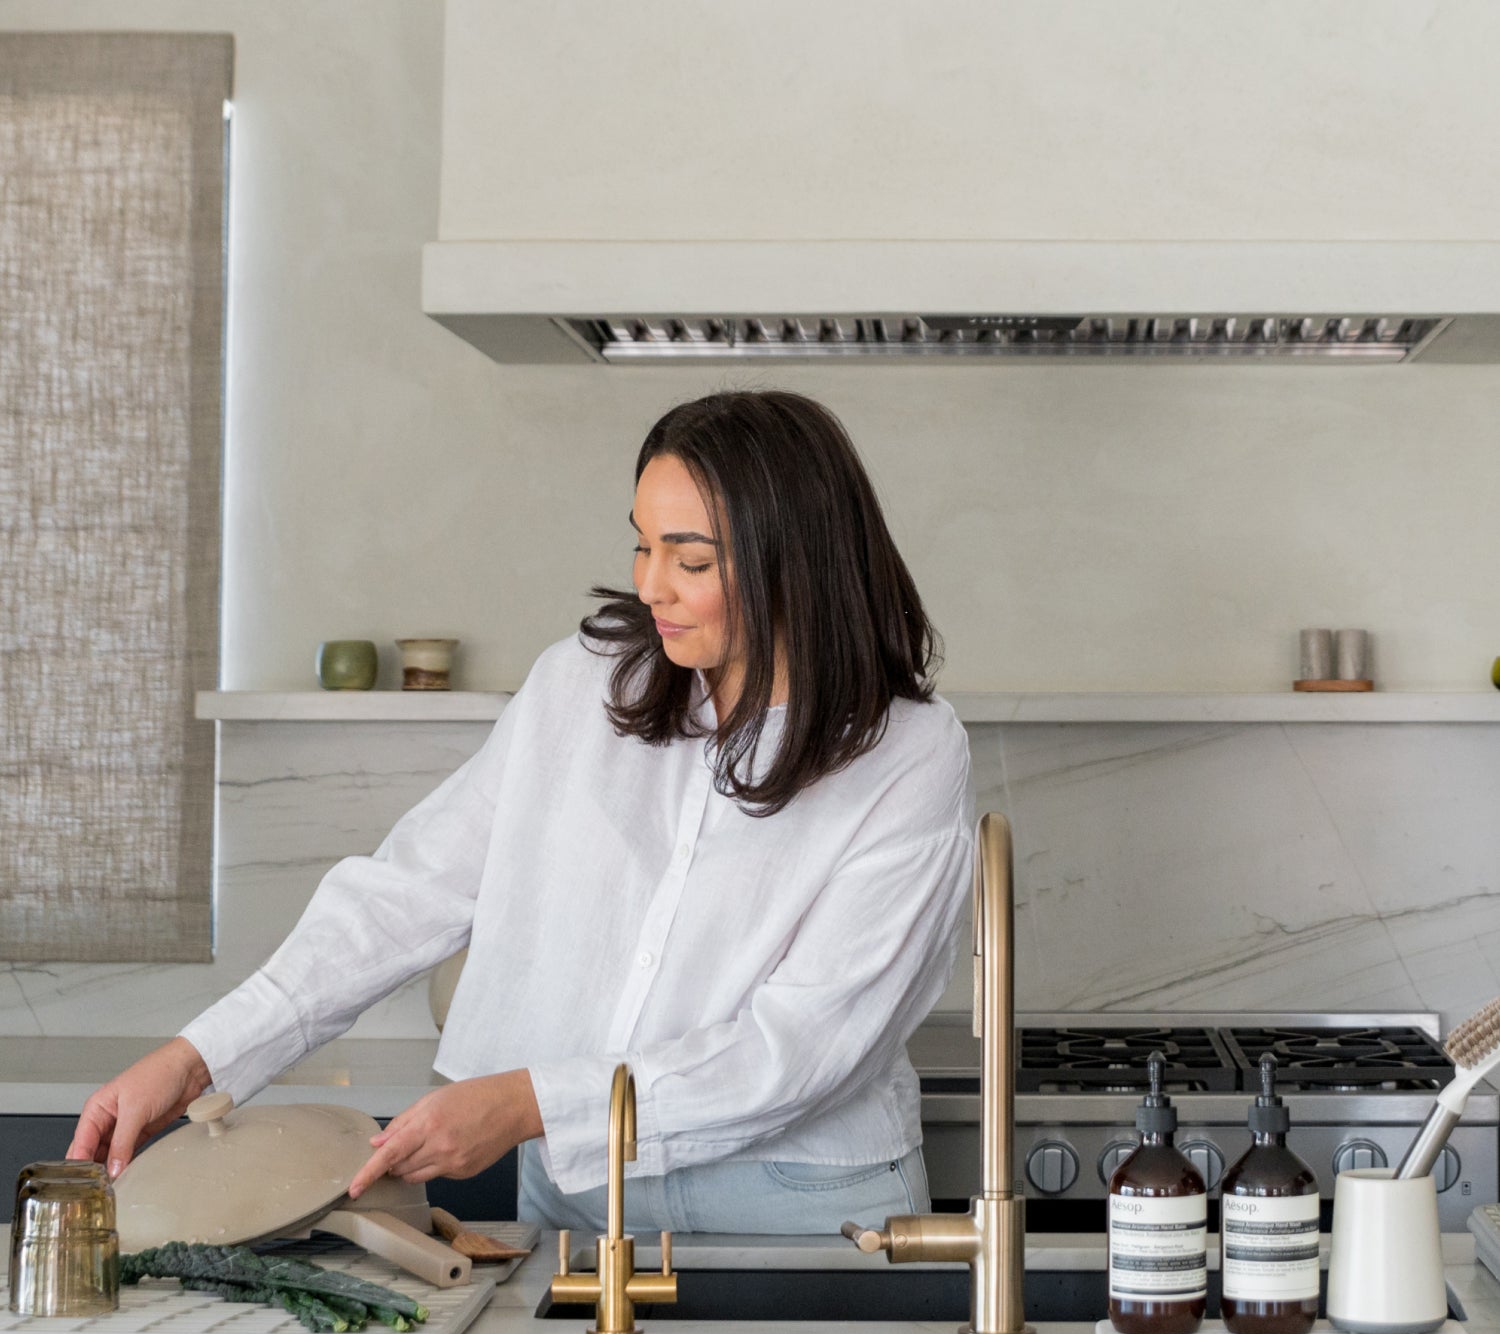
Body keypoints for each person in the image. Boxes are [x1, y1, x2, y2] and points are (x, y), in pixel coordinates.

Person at [68, 390, 974, 1235]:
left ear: (797, 567)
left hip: (801, 1200)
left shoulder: (909, 754)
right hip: (583, 1192)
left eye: (690, 559)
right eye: (642, 545)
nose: (650, 584)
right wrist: (201, 1056)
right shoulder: (586, 683)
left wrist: (532, 1104)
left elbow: (803, 1048)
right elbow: (411, 890)